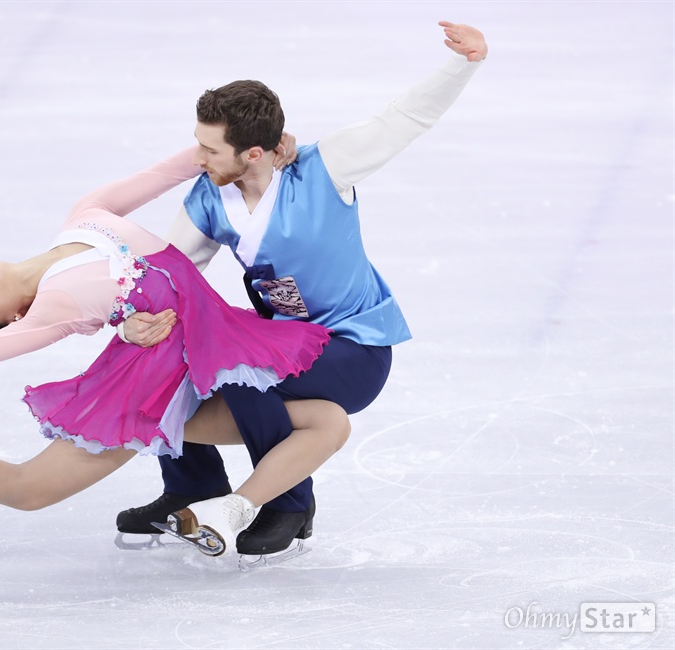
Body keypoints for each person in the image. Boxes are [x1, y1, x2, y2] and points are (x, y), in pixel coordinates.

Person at [0, 143, 351, 556]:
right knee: (29, 488)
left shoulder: (83, 218)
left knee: (326, 420)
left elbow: (167, 172)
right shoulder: (46, 312)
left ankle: (238, 503)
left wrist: (244, 146)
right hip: (154, 382)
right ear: (11, 319)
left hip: (202, 350)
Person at [114, 21, 489, 556]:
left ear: (256, 153)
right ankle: (191, 485)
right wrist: (135, 319)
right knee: (165, 353)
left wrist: (463, 62)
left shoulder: (323, 168)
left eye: (209, 149)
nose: (197, 159)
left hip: (352, 350)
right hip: (280, 348)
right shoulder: (207, 198)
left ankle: (289, 504)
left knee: (239, 364)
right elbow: (169, 274)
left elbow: (403, 118)